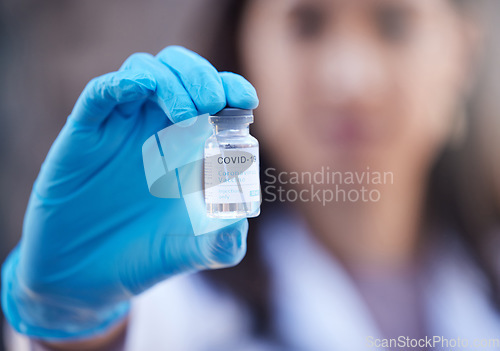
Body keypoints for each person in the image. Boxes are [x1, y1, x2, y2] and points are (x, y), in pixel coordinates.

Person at [3, 0, 500, 350]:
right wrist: (72, 321)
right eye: (306, 22)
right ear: (245, 49)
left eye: (394, 22)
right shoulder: (173, 302)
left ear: (464, 54)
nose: (350, 77)